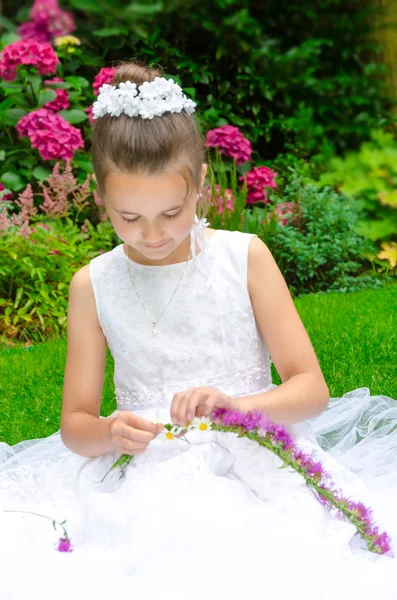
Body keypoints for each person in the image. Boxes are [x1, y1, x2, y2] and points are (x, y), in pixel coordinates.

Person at [1, 61, 397, 600]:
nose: (153, 234)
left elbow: (311, 388)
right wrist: (109, 432)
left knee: (266, 561)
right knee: (165, 560)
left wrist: (236, 406)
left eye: (171, 211)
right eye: (129, 217)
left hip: (256, 464)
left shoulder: (244, 259)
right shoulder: (92, 285)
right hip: (149, 478)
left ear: (201, 185)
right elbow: (75, 424)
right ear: (99, 195)